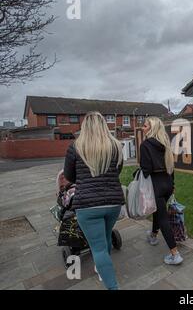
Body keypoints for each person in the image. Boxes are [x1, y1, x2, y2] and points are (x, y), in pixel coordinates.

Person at [64, 112, 124, 290]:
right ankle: (101, 268)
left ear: (85, 127)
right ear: (104, 125)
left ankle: (113, 287)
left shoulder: (75, 147)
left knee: (97, 248)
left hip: (87, 206)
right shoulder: (115, 146)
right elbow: (117, 171)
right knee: (105, 236)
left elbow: (69, 176)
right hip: (113, 202)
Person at [140, 116, 183, 265]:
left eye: (145, 126)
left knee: (162, 217)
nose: (142, 128)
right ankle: (153, 235)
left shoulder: (145, 145)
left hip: (155, 185)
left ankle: (175, 254)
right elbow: (171, 167)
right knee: (159, 212)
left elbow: (146, 170)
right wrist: (173, 184)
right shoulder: (165, 144)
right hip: (168, 184)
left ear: (151, 128)